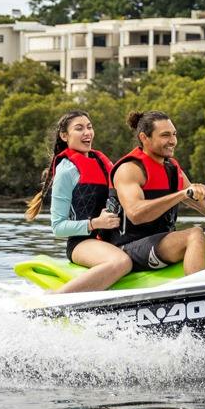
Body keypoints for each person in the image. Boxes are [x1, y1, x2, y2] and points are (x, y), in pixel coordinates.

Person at [111, 110, 205, 276]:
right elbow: (135, 213)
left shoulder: (172, 170)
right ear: (144, 138)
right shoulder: (130, 169)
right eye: (165, 135)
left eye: (174, 134)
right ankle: (197, 294)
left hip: (160, 244)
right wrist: (182, 194)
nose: (173, 141)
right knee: (195, 234)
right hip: (128, 248)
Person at [22, 109, 131, 293]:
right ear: (64, 135)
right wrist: (95, 223)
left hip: (111, 239)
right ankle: (56, 300)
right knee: (121, 262)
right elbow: (58, 227)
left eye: (89, 127)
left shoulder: (103, 163)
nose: (87, 133)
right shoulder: (66, 171)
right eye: (79, 128)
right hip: (82, 244)